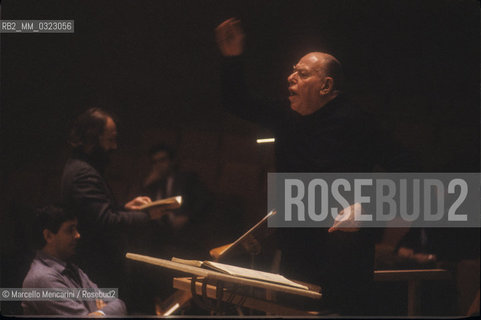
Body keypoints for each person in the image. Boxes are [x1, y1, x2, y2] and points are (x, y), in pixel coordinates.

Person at [215, 18, 416, 315]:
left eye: (302, 73)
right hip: (296, 246)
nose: (290, 77)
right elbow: (237, 102)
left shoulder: (357, 121)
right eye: (293, 70)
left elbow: (408, 169)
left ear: (326, 85)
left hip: (344, 251)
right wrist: (232, 57)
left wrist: (367, 207)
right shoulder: (287, 114)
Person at [61, 108, 164, 292]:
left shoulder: (81, 167)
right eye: (110, 140)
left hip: (98, 263)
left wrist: (126, 208)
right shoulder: (83, 173)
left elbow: (98, 212)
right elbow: (104, 221)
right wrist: (147, 216)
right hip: (97, 266)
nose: (114, 147)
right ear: (92, 139)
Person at [22, 205, 126, 316]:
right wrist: (102, 310)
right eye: (70, 230)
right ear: (48, 236)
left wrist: (99, 313)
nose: (78, 235)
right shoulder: (42, 279)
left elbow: (119, 304)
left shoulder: (71, 268)